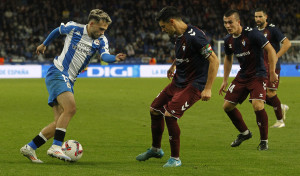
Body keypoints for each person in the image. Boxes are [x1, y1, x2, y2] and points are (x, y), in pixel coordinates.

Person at [20, 9, 126, 163]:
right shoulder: (74, 28)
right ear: (91, 24)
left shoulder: (101, 40)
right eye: (101, 28)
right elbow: (58, 31)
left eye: (105, 29)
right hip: (58, 72)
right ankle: (56, 147)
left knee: (59, 123)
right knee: (71, 108)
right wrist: (44, 44)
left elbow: (104, 56)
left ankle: (30, 147)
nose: (103, 32)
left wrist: (114, 58)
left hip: (69, 80)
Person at [136, 6, 219, 167]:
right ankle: (156, 149)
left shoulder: (196, 37)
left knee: (170, 115)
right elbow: (184, 52)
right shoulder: (178, 35)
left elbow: (214, 60)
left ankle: (175, 158)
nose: (162, 30)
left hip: (194, 84)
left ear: (172, 22)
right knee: (154, 109)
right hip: (178, 81)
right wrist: (174, 65)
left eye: (163, 26)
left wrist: (208, 88)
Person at [219, 9, 278, 150]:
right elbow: (228, 58)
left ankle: (264, 141)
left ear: (238, 22)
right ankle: (245, 133)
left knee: (257, 105)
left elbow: (271, 50)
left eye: (230, 22)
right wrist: (225, 80)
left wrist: (272, 72)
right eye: (225, 23)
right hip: (243, 75)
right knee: (227, 106)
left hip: (259, 74)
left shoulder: (253, 34)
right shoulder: (228, 40)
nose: (227, 25)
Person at [254, 8, 291, 128]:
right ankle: (280, 107)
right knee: (258, 95)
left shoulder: (272, 29)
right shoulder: (254, 31)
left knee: (270, 93)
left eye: (260, 16)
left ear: (266, 17)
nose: (258, 19)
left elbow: (287, 44)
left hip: (272, 66)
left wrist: (275, 57)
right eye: (256, 17)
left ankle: (280, 121)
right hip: (259, 67)